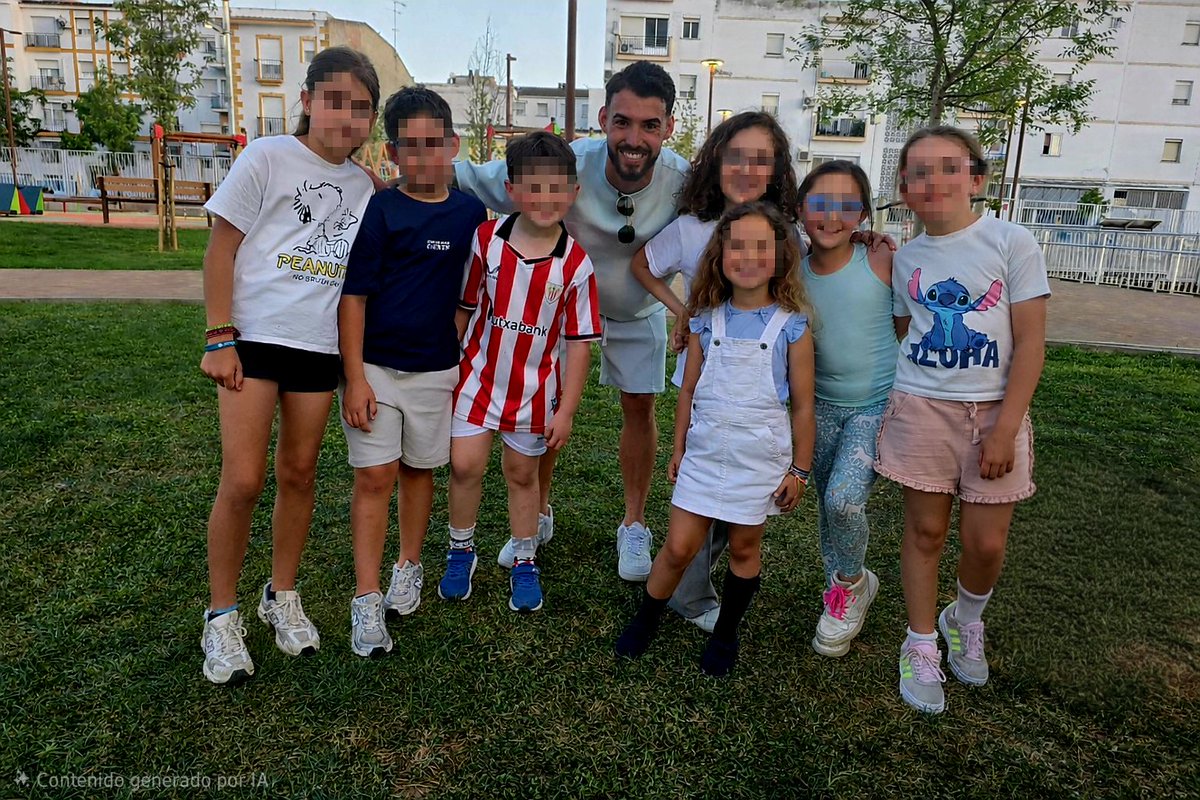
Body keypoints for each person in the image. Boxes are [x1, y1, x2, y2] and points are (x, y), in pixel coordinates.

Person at [455, 61, 689, 584]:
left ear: (668, 128)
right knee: (544, 413)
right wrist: (384, 179)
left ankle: (633, 523)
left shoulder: (684, 181)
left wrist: (843, 231)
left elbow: (744, 210)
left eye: (650, 126)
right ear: (603, 117)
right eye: (623, 122)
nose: (634, 138)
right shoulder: (568, 164)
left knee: (639, 408)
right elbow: (476, 177)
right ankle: (538, 514)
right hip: (557, 310)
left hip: (637, 309)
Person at [198, 46, 380, 684]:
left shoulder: (366, 188)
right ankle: (221, 616)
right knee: (244, 480)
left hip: (318, 347)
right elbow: (222, 248)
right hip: (252, 339)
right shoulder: (266, 157)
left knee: (299, 473)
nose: (346, 118)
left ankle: (282, 595)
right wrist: (220, 335)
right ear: (307, 101)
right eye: (335, 101)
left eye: (361, 108)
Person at [877, 126, 1050, 714]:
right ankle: (920, 641)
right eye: (919, 172)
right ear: (903, 188)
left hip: (995, 413)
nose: (934, 182)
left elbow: (1029, 343)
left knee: (985, 542)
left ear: (977, 179)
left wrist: (1005, 427)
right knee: (925, 532)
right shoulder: (907, 259)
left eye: (949, 168)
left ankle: (964, 619)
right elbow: (908, 331)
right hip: (923, 408)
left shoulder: (1011, 242)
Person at [615, 201, 816, 677]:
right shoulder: (706, 319)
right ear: (720, 256)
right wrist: (679, 447)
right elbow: (688, 390)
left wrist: (799, 470)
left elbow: (804, 406)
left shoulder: (792, 327)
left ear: (781, 256)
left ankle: (726, 632)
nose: (747, 256)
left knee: (746, 550)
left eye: (760, 246)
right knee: (679, 547)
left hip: (758, 462)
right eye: (736, 246)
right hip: (704, 457)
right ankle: (647, 619)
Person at [628, 110, 801, 633]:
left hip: (759, 396)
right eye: (736, 156)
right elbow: (642, 265)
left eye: (761, 159)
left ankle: (697, 585)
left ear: (775, 169)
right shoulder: (690, 228)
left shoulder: (787, 231)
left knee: (740, 503)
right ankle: (692, 592)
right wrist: (681, 311)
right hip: (703, 388)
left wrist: (864, 242)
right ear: (717, 161)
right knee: (698, 506)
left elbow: (823, 257)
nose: (747, 169)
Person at [338, 87, 487, 657]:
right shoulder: (382, 209)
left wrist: (454, 328)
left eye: (435, 144)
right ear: (393, 152)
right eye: (410, 146)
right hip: (375, 368)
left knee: (419, 471)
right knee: (374, 477)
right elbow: (353, 297)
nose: (424, 156)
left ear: (454, 145)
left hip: (436, 373)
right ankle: (367, 597)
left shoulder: (471, 212)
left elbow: (477, 289)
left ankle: (410, 565)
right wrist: (355, 377)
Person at [438, 131, 601, 612]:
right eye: (534, 187)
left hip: (534, 395)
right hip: (477, 380)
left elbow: (579, 345)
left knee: (521, 474)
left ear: (573, 193)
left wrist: (566, 411)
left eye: (557, 189)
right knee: (465, 466)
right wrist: (447, 367)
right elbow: (465, 308)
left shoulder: (575, 264)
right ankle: (460, 551)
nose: (545, 199)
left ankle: (525, 560)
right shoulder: (486, 241)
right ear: (512, 189)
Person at [797, 160, 898, 657]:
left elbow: (903, 326)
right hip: (817, 408)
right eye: (819, 203)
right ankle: (839, 591)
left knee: (843, 499)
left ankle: (852, 585)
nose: (832, 215)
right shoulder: (792, 272)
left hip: (874, 407)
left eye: (847, 205)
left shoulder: (879, 260)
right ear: (799, 210)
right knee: (826, 506)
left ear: (863, 214)